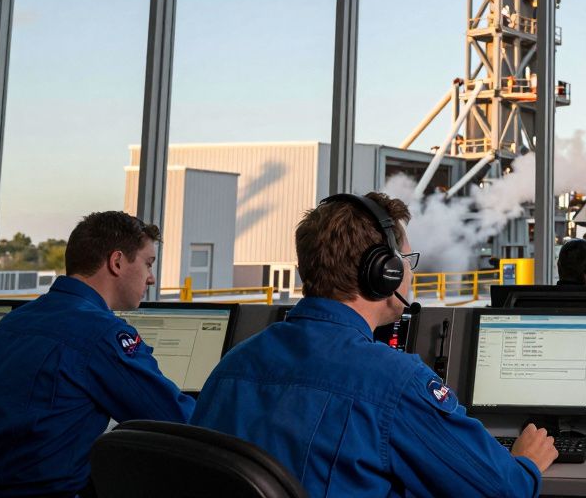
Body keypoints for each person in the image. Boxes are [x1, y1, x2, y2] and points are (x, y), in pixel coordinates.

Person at [190, 192, 558, 497]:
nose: (410, 273)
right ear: (385, 272)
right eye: (406, 261)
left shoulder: (231, 367)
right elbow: (501, 490)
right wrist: (525, 463)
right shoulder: (395, 382)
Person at [0, 211, 193, 498]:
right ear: (117, 262)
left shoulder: (11, 323)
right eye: (148, 264)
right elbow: (177, 420)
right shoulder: (102, 334)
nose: (151, 278)